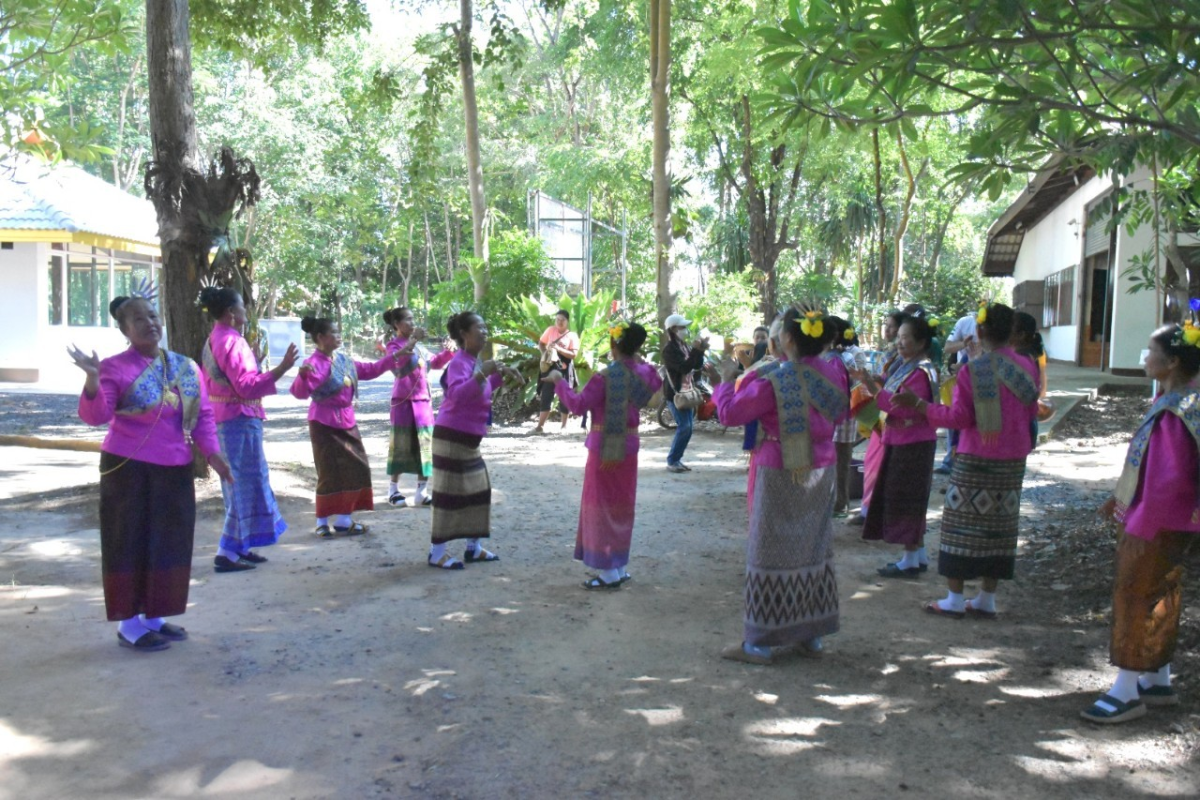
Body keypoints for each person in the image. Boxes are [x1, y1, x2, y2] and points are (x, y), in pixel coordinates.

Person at [70, 296, 233, 652]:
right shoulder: (114, 368)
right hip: (128, 471)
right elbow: (96, 416)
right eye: (138, 319)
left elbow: (203, 416)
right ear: (125, 330)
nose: (150, 323)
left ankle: (155, 617)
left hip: (174, 469)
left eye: (153, 315)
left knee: (169, 544)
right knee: (129, 543)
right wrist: (93, 380)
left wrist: (214, 455)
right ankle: (130, 625)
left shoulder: (185, 367)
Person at [709, 307, 849, 665]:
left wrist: (725, 381)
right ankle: (811, 633)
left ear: (787, 339)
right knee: (812, 545)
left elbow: (729, 414)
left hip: (778, 466)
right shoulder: (833, 373)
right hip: (822, 468)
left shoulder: (774, 380)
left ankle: (759, 642)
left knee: (769, 547)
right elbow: (843, 413)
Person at [1081, 323, 1200, 724]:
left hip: (1154, 521)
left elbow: (1169, 478)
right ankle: (1157, 676)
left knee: (1134, 593)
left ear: (1173, 361)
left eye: (1150, 351)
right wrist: (1119, 497)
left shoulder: (1176, 409)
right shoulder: (1181, 401)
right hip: (1167, 519)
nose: (1144, 358)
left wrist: (1137, 520)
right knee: (1163, 592)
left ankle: (1126, 689)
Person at [892, 302, 1038, 619]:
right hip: (1012, 459)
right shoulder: (1027, 366)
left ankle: (955, 598)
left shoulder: (974, 371)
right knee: (1000, 526)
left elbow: (959, 418)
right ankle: (986, 598)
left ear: (980, 331)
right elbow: (1030, 411)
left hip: (976, 457)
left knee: (962, 527)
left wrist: (919, 405)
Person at [545, 322, 661, 589]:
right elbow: (655, 379)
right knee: (622, 505)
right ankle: (618, 566)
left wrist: (559, 382)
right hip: (629, 445)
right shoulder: (644, 374)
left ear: (613, 345)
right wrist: (635, 357)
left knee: (600, 506)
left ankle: (608, 572)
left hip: (603, 448)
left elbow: (577, 405)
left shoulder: (604, 377)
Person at [199, 286, 299, 573]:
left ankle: (240, 546)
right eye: (243, 306)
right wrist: (281, 369)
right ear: (231, 313)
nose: (247, 311)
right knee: (241, 483)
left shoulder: (216, 338)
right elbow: (245, 386)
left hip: (227, 417)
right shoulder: (232, 342)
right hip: (238, 419)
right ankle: (226, 551)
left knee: (238, 483)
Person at [427, 311, 525, 569]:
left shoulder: (474, 362)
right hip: (451, 437)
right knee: (447, 495)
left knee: (479, 492)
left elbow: (481, 391)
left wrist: (502, 375)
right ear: (464, 334)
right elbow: (458, 395)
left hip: (468, 440)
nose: (484, 332)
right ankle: (437, 553)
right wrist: (483, 374)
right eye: (478, 328)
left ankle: (474, 548)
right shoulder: (460, 362)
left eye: (485, 327)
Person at [289, 316, 398, 536]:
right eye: (334, 333)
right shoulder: (313, 363)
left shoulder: (344, 360)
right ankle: (321, 522)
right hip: (323, 422)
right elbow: (299, 393)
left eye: (339, 332)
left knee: (356, 468)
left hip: (347, 420)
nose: (338, 336)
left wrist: (393, 358)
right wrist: (303, 376)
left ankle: (343, 519)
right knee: (328, 471)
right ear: (320, 337)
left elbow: (369, 369)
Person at [852, 313, 940, 577]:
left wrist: (872, 388)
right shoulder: (910, 366)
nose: (900, 343)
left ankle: (910, 557)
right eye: (899, 337)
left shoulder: (919, 371)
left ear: (921, 342)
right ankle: (917, 554)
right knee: (908, 498)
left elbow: (902, 406)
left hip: (912, 442)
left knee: (906, 499)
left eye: (906, 338)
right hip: (904, 440)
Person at [382, 307, 456, 508]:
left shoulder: (420, 348)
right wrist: (413, 340)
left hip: (422, 401)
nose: (412, 323)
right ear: (396, 324)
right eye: (407, 320)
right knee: (400, 444)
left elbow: (435, 363)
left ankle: (421, 491)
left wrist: (448, 351)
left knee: (425, 445)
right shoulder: (393, 345)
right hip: (403, 402)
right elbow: (397, 367)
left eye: (413, 319)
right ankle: (393, 490)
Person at [847, 309, 904, 525]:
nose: (887, 330)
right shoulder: (890, 354)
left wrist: (872, 382)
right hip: (882, 415)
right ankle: (868, 509)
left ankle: (872, 511)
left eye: (892, 326)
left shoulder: (902, 359)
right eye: (886, 325)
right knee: (873, 462)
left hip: (889, 416)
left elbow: (889, 386)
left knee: (878, 463)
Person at [661, 313, 710, 473]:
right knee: (685, 426)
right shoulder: (669, 350)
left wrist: (700, 351)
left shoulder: (684, 346)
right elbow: (684, 367)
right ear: (673, 329)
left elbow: (696, 364)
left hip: (687, 391)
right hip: (676, 394)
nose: (685, 330)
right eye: (682, 327)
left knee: (688, 428)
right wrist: (696, 350)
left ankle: (676, 459)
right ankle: (672, 460)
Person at [936, 307, 981, 474]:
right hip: (964, 378)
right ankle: (950, 460)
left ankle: (967, 461)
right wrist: (963, 344)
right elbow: (948, 347)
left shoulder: (996, 330)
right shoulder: (965, 322)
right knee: (956, 419)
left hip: (983, 379)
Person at [532, 309, 580, 435]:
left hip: (565, 369)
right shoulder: (550, 330)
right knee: (546, 395)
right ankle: (540, 426)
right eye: (557, 319)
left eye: (562, 320)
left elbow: (573, 355)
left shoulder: (572, 336)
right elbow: (541, 343)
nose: (559, 322)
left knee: (564, 397)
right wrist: (544, 355)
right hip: (550, 367)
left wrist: (558, 349)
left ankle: (564, 426)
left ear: (567, 321)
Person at [1010, 311, 1049, 449]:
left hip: (1020, 424)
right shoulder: (1034, 353)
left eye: (1010, 328)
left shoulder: (1019, 358)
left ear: (1020, 334)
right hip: (1027, 420)